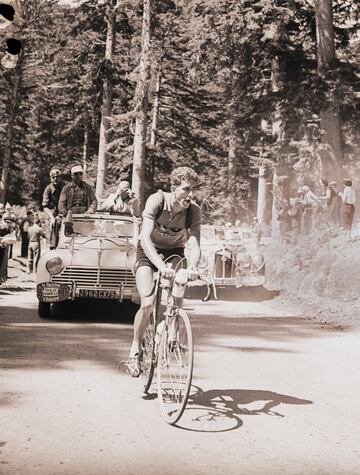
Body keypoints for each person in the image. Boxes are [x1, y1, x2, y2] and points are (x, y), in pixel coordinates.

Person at [125, 167, 202, 377]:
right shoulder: (157, 201)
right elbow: (145, 238)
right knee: (148, 302)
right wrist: (160, 266)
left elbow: (194, 244)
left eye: (193, 189)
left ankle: (171, 334)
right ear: (174, 187)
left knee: (179, 287)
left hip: (174, 252)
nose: (191, 194)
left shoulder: (193, 211)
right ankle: (135, 349)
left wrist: (193, 267)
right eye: (187, 188)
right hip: (149, 252)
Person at [42, 168, 67, 249]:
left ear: (60, 177)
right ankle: (53, 247)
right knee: (54, 224)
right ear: (50, 178)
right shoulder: (48, 189)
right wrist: (52, 218)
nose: (55, 179)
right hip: (55, 211)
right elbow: (45, 207)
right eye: (53, 177)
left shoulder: (67, 186)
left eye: (57, 177)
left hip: (67, 209)